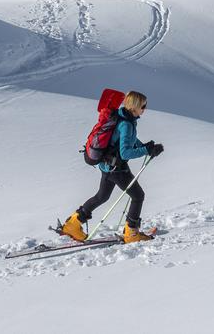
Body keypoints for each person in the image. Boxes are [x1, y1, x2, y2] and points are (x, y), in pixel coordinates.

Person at [59, 91, 163, 243]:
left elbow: (128, 140)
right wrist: (146, 150)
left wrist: (145, 146)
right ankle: (131, 233)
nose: (145, 108)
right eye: (143, 105)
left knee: (102, 196)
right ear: (135, 107)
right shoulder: (126, 123)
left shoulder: (124, 118)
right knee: (138, 196)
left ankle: (72, 224)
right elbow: (126, 152)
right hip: (116, 168)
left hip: (108, 166)